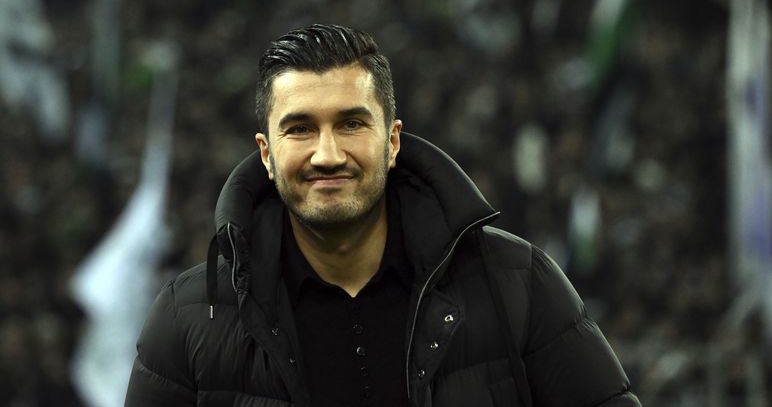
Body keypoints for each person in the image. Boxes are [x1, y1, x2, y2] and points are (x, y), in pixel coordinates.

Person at [125, 24, 641, 407]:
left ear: (392, 141)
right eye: (300, 129)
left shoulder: (517, 283)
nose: (327, 154)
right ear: (266, 153)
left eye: (351, 124)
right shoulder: (188, 318)